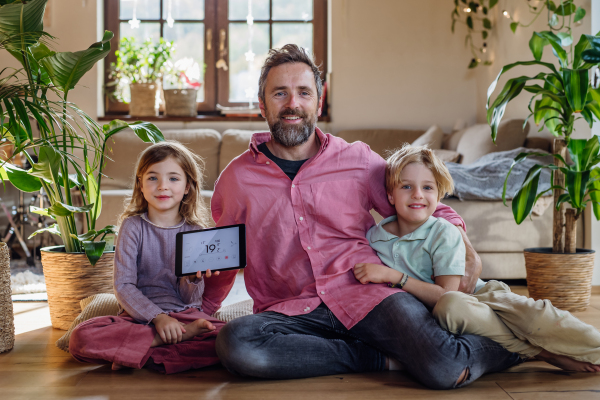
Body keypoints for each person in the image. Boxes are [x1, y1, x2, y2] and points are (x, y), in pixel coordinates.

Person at [210, 44, 520, 389]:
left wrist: (463, 240)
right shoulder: (236, 179)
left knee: (444, 366)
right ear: (262, 103)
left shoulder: (355, 159)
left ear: (319, 101)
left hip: (367, 293)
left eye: (303, 93)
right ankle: (375, 357)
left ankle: (520, 345)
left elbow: (415, 201)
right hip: (290, 310)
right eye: (280, 93)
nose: (292, 104)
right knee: (236, 344)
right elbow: (222, 254)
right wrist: (202, 308)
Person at [359, 144, 600, 373]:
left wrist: (395, 277)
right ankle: (543, 353)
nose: (418, 195)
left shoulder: (443, 231)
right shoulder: (374, 238)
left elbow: (447, 292)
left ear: (439, 194)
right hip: (453, 313)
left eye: (428, 187)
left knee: (537, 316)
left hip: (483, 295)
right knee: (450, 308)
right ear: (390, 195)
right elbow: (449, 304)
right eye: (406, 187)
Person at [69, 141, 235, 374]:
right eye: (153, 178)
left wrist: (192, 279)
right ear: (140, 184)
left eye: (174, 179)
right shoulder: (132, 226)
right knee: (80, 337)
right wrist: (157, 318)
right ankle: (158, 343)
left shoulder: (195, 232)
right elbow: (123, 286)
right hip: (139, 318)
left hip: (185, 316)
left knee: (231, 339)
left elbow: (192, 300)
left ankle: (134, 351)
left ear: (188, 186)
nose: (162, 186)